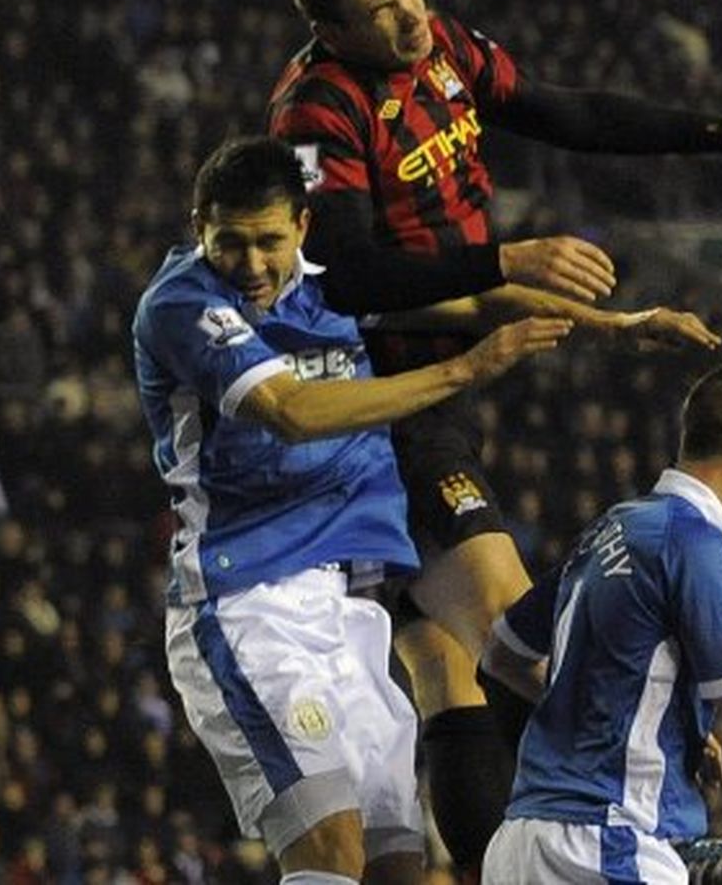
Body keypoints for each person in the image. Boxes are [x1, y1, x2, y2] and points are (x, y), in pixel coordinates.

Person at [268, 0, 722, 877]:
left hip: (449, 387)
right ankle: (642, 836)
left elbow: (567, 111)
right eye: (382, 11)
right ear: (334, 31)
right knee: (518, 638)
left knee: (450, 666)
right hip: (385, 405)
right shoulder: (317, 110)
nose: (410, 16)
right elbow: (346, 272)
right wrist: (506, 256)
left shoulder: (441, 48)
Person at [133, 135, 573, 885]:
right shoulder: (184, 304)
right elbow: (293, 411)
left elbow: (468, 300)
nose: (250, 263)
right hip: (250, 603)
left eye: (268, 241)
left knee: (395, 861)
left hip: (352, 607)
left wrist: (623, 325)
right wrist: (464, 370)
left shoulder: (326, 287)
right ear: (198, 223)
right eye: (228, 241)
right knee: (329, 845)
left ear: (301, 227)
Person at [480, 361, 722, 883]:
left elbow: (502, 655)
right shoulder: (697, 543)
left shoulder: (615, 525)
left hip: (522, 841)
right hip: (609, 841)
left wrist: (650, 728)